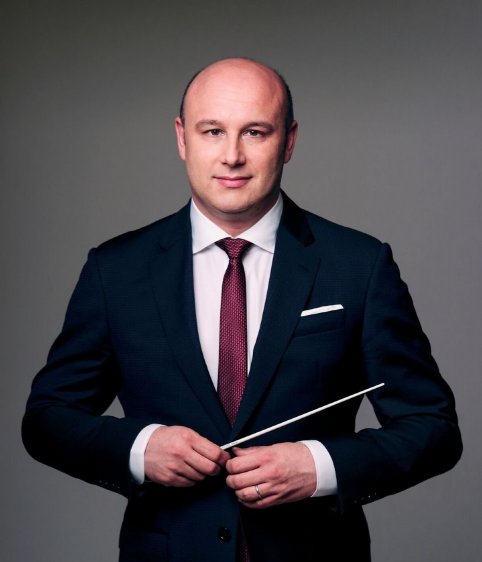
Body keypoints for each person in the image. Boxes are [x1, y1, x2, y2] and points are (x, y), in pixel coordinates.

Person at [22, 57, 462, 562]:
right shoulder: (116, 270)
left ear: (289, 141)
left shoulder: (359, 265)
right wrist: (140, 448)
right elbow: (47, 420)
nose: (231, 156)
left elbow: (433, 429)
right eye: (212, 131)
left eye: (255, 132)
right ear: (182, 138)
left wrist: (320, 466)